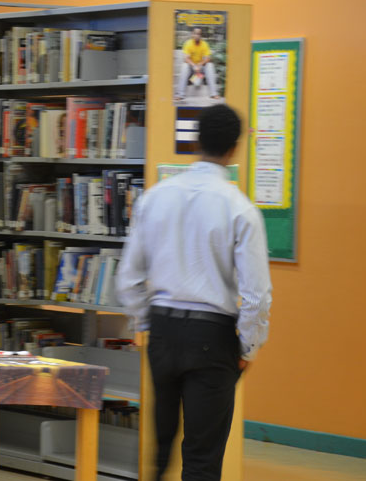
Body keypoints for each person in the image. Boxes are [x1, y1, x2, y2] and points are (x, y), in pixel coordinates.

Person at [115, 105, 272, 480]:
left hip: (163, 331)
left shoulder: (155, 197)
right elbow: (257, 294)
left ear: (196, 142)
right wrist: (248, 347)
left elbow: (128, 277)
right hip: (213, 338)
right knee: (202, 457)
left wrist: (147, 323)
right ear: (234, 149)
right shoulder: (241, 209)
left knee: (160, 448)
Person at [174, 27, 221, 100]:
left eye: (199, 34)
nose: (197, 35)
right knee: (185, 66)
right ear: (192, 34)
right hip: (191, 69)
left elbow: (208, 58)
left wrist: (199, 65)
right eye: (195, 34)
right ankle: (180, 94)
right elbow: (186, 58)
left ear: (201, 36)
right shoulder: (188, 43)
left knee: (209, 65)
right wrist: (194, 66)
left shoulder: (204, 44)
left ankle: (214, 93)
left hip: (200, 70)